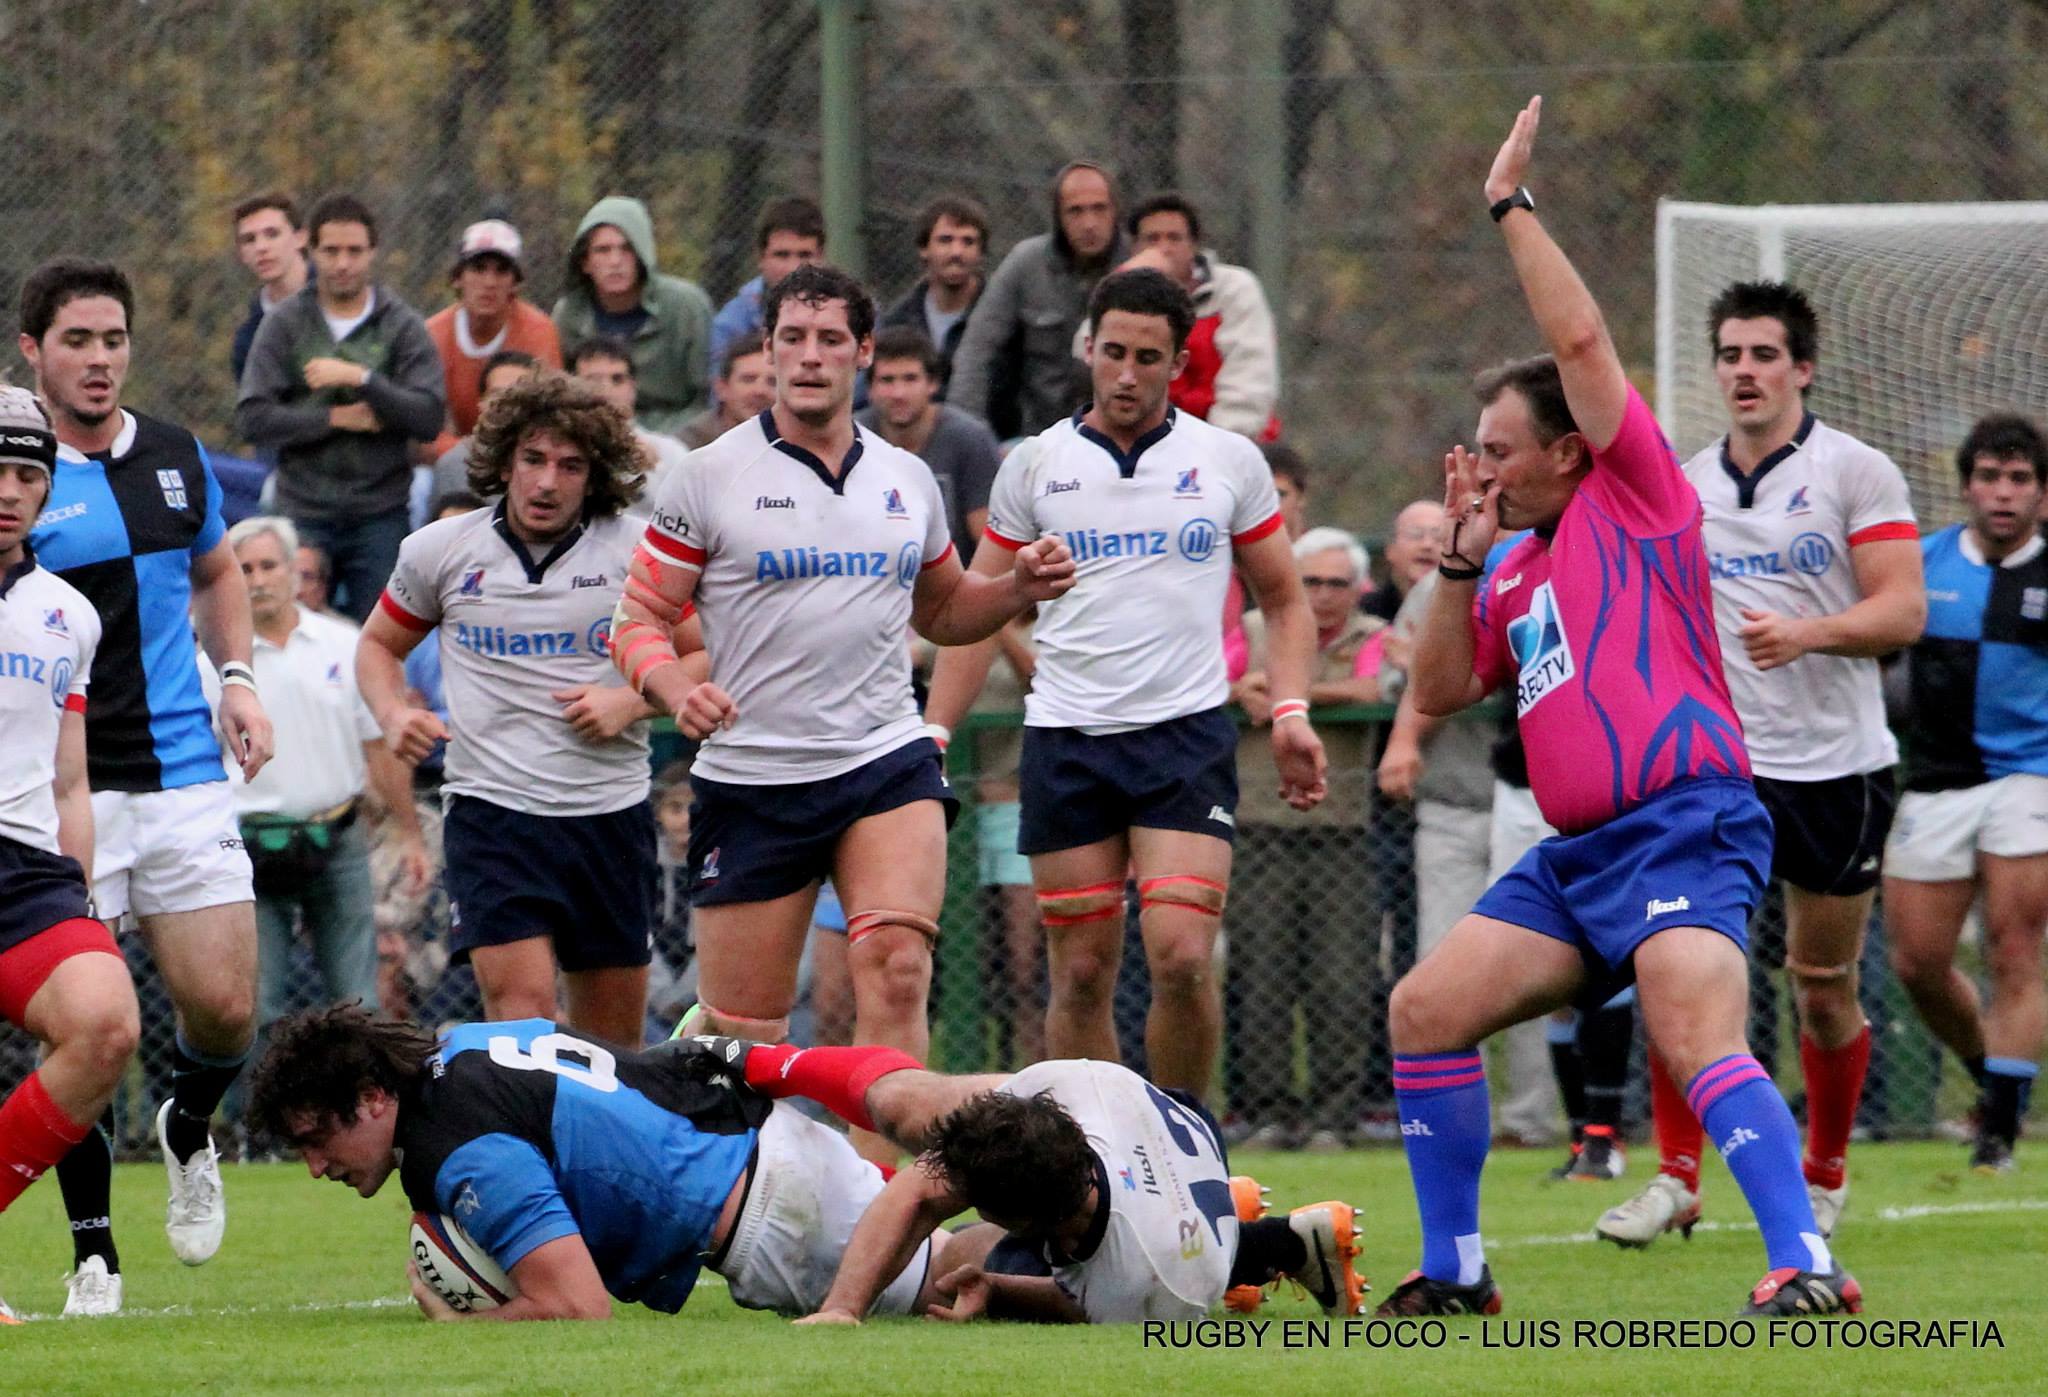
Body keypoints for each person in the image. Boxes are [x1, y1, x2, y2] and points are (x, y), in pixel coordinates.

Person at [1381, 98, 1857, 1318]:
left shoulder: (1632, 499)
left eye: (1497, 447)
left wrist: (1510, 207)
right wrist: (1450, 563)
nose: (1476, 467)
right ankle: (1455, 1273)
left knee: (1694, 1036)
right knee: (1423, 1008)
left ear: (1567, 455)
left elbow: (1583, 346)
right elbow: (1435, 692)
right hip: (1576, 855)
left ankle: (1805, 1261)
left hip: (1683, 823)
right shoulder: (1504, 564)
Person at [607, 262, 1075, 1163]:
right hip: (754, 780)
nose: (811, 357)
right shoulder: (707, 477)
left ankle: (888, 1214)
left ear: (863, 351)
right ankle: (751, 1210)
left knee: (896, 967)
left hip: (882, 760)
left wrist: (1014, 585)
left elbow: (943, 612)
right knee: (743, 1038)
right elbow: (635, 622)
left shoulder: (905, 480)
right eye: (793, 338)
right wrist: (673, 688)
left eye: (831, 340)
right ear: (768, 349)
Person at [924, 268, 1327, 1104]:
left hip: (1184, 738)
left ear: (1179, 362)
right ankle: (1106, 1157)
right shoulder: (1035, 465)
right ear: (1088, 349)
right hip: (1068, 740)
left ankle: (1184, 1142)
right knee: (1078, 972)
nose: (1127, 373)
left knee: (1180, 955)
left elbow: (1286, 600)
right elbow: (972, 608)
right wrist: (933, 734)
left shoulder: (1227, 461)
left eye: (1149, 357)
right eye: (1113, 352)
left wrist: (1290, 709)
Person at [1599, 280, 1925, 1250]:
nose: (1743, 370)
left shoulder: (1852, 471)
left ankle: (1823, 1172)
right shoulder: (1683, 481)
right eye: (1729, 354)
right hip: (1713, 768)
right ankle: (1673, 1175)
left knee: (1819, 984)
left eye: (1762, 354)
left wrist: (1809, 631)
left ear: (1800, 367)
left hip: (1833, 767)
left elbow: (1902, 610)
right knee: (1678, 969)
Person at [21, 259, 276, 1310]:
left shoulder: (175, 456)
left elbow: (217, 572)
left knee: (224, 1007)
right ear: (31, 349)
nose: (98, 359)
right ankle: (94, 1250)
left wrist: (241, 678)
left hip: (181, 772)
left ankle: (185, 1119)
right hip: (57, 788)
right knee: (84, 1028)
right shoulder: (15, 472)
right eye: (77, 339)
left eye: (113, 338)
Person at [244, 1004, 945, 1321]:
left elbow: (578, 1306)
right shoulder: (460, 1045)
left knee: (974, 1277)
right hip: (765, 1151)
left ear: (372, 1097)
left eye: (317, 1138)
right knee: (965, 1257)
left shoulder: (457, 1145)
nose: (314, 1166)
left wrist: (464, 1324)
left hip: (777, 1221)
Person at [357, 373, 659, 1047]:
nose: (547, 482)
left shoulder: (636, 551)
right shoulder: (440, 550)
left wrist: (629, 700)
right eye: (533, 459)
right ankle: (531, 1154)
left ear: (596, 475)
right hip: (494, 815)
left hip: (608, 814)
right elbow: (378, 645)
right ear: (503, 461)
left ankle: (600, 1153)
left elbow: (706, 660)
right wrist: (394, 713)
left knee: (614, 1049)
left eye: (570, 465)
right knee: (523, 1024)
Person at [661, 1038, 1362, 1323]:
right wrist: (844, 1306)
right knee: (913, 1105)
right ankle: (747, 1057)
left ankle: (1265, 1243)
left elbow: (1073, 1298)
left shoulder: (1141, 1286)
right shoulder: (1066, 1089)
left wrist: (997, 1286)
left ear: (1027, 1220)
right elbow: (914, 1192)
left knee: (960, 1260)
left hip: (1166, 1229)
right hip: (1151, 1116)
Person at [0, 385, 138, 1322]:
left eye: (26, 475)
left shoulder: (67, 612)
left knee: (106, 1023)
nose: (9, 491)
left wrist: (82, 894)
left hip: (28, 868)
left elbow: (69, 778)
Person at [1885, 414, 2048, 1173]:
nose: (2003, 492)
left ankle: (1999, 1135)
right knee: (1917, 961)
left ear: (2043, 494)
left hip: (2030, 778)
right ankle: (1996, 1076)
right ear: (1966, 486)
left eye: (2019, 478)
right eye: (1990, 476)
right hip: (1936, 783)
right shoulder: (1922, 563)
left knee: (2016, 949)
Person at [227, 515, 428, 1032]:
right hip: (247, 849)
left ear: (296, 571)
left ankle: (366, 1110)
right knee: (259, 1007)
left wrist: (409, 832)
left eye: (269, 565)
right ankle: (259, 1116)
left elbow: (380, 747)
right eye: (244, 568)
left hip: (338, 838)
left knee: (358, 1001)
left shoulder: (345, 644)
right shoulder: (212, 659)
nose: (258, 579)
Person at [1227, 527, 1379, 1150]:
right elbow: (1224, 679)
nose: (1321, 594)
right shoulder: (1255, 629)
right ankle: (1266, 1112)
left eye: (1336, 583)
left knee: (1342, 982)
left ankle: (1334, 1116)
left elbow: (1377, 688)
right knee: (1260, 978)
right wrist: (1241, 688)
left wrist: (1289, 696)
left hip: (1342, 834)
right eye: (1309, 580)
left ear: (1358, 589)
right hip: (1260, 828)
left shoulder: (1373, 638)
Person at [236, 192, 446, 620]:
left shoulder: (400, 324)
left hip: (380, 511)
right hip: (303, 510)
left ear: (373, 252)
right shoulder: (285, 323)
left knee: (383, 634)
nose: (342, 263)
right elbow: (253, 418)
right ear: (311, 250)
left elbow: (428, 417)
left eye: (354, 251)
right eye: (330, 251)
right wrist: (334, 418)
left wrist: (362, 380)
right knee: (292, 630)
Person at [949, 162, 1125, 439]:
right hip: (1041, 436)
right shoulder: (1026, 264)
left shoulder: (1138, 265)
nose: (1089, 223)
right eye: (1075, 211)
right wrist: (968, 438)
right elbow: (977, 350)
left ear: (1115, 211)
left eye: (1099, 209)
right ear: (1058, 216)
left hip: (1123, 435)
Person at [1116, 192, 1278, 439]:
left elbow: (1250, 380)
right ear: (1135, 248)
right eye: (1152, 239)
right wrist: (1124, 285)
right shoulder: (1119, 294)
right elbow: (1088, 355)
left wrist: (1215, 448)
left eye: (1175, 238)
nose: (1164, 249)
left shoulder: (1235, 290)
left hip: (1229, 441)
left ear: (1193, 245)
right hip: (1145, 442)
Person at [551, 196, 715, 434]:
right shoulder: (568, 314)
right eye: (602, 250)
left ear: (643, 255)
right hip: (591, 433)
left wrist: (661, 440)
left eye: (627, 249)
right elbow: (559, 393)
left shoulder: (686, 306)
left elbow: (705, 398)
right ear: (585, 262)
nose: (615, 261)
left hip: (677, 436)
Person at [858, 326, 1003, 557]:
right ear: (869, 389)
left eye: (910, 379)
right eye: (887, 380)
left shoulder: (969, 438)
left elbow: (991, 544)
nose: (899, 393)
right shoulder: (852, 438)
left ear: (933, 383)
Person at [423, 219, 564, 457]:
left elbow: (552, 418)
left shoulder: (539, 332)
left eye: (501, 271)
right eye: (478, 269)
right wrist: (470, 454)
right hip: (455, 458)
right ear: (457, 278)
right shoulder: (433, 335)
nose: (489, 283)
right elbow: (424, 435)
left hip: (519, 457)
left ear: (515, 283)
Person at [879, 194, 990, 400]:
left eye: (968, 241)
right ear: (924, 249)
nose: (957, 252)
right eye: (945, 240)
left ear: (981, 253)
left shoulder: (1002, 316)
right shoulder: (897, 322)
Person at [708, 196, 826, 374]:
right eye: (781, 255)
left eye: (804, 255)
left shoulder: (854, 313)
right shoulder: (732, 323)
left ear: (821, 257)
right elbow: (721, 391)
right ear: (761, 258)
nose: (793, 268)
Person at [430, 350, 544, 505]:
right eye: (497, 395)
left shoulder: (558, 461)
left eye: (520, 395)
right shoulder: (456, 464)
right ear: (481, 403)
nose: (506, 404)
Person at [566, 336, 691, 477]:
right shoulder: (558, 451)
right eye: (593, 380)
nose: (607, 389)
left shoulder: (669, 452)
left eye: (617, 379)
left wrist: (654, 470)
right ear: (571, 386)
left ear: (633, 387)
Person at [227, 191, 309, 390]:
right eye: (249, 239)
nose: (261, 247)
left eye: (272, 234)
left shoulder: (348, 300)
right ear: (242, 254)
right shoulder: (248, 340)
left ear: (301, 238)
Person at [677, 332, 777, 451]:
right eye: (748, 380)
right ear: (721, 388)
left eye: (773, 382)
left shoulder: (797, 442)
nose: (760, 391)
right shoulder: (687, 446)